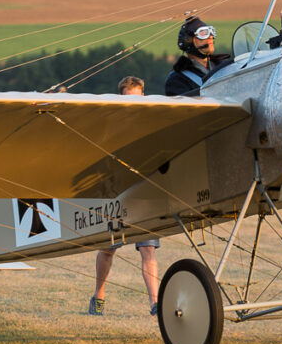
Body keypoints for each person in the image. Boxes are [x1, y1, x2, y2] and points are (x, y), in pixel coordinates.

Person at [88, 75, 160, 316]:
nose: (135, 103)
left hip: (144, 191)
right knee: (108, 249)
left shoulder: (152, 123)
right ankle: (99, 294)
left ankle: (154, 303)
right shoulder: (112, 125)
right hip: (117, 193)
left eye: (138, 98)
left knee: (147, 249)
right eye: (130, 99)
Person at [164, 17, 233, 96]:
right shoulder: (177, 79)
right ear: (188, 41)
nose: (210, 36)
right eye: (203, 33)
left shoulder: (224, 68)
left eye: (211, 32)